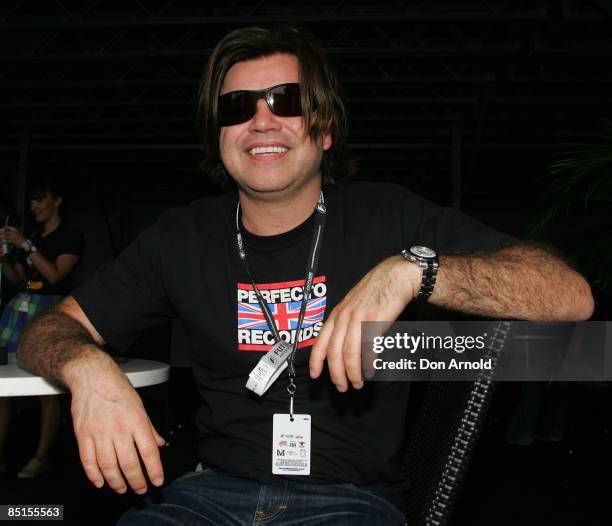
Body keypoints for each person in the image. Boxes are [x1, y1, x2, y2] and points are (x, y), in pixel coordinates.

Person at [16, 25, 593, 525]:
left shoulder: (388, 217)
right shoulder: (180, 236)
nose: (261, 121)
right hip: (204, 496)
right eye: (237, 107)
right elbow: (44, 331)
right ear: (220, 139)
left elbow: (571, 296)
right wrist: (87, 367)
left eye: (286, 100)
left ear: (324, 130)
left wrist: (413, 271)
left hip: (351, 501)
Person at [0, 177, 84, 478]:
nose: (34, 205)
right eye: (32, 200)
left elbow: (55, 276)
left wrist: (26, 244)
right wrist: (5, 260)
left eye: (40, 199)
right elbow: (16, 280)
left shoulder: (70, 236)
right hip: (18, 312)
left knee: (47, 390)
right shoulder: (32, 234)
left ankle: (40, 457)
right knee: (3, 386)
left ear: (57, 200)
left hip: (50, 311)